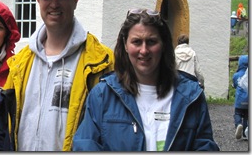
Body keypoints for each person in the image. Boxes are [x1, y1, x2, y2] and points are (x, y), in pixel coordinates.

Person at [0, 0, 115, 151]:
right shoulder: (20, 63)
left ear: (76, 1)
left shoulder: (101, 62)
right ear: (38, 0)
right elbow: (0, 128)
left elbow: (111, 130)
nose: (54, 4)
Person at [73, 8, 219, 151]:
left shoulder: (191, 96)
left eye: (151, 41)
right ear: (125, 45)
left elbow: (204, 146)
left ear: (163, 45)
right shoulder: (102, 95)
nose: (144, 50)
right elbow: (85, 145)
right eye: (136, 42)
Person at [233, 55, 248, 140]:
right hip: (249, 100)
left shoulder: (236, 75)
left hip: (239, 100)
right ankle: (245, 134)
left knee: (237, 113)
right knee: (247, 116)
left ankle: (238, 124)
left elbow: (235, 85)